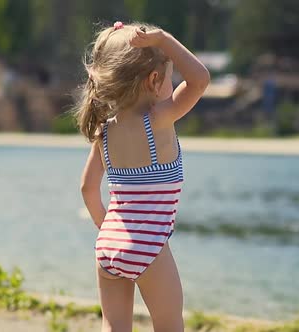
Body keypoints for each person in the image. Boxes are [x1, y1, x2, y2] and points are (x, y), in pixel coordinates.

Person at [74, 21, 209, 332]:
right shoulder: (159, 120)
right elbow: (200, 80)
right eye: (170, 76)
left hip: (108, 243)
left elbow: (87, 188)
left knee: (115, 326)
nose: (174, 84)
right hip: (148, 245)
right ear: (154, 80)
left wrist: (107, 226)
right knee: (169, 325)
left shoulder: (104, 131)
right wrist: (165, 40)